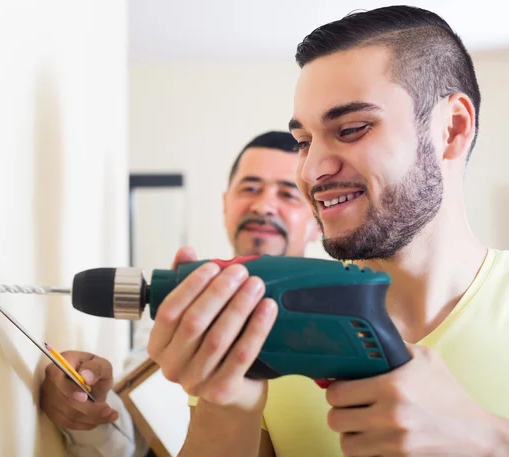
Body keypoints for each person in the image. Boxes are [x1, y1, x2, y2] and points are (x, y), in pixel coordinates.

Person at [147, 6, 509, 457]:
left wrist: (490, 441)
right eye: (304, 142)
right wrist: (227, 407)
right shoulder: (267, 323)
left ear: (452, 129)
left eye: (352, 129)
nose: (311, 169)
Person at [39, 131, 324, 457]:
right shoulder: (181, 307)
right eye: (250, 188)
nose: (263, 205)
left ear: (317, 222)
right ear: (225, 204)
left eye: (288, 194)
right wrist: (91, 407)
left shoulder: (343, 318)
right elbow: (134, 443)